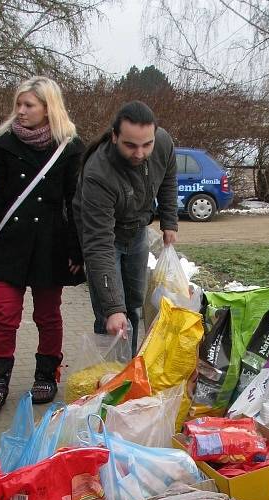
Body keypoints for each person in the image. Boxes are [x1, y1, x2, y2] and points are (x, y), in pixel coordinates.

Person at [0, 76, 84, 412]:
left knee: (48, 315)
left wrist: (77, 250)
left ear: (47, 108)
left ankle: (46, 374)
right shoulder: (7, 143)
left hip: (50, 245)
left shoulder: (69, 147)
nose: (20, 111)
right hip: (10, 242)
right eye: (18, 105)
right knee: (5, 315)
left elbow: (74, 201)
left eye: (28, 105)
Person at [72, 101, 178, 355]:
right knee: (112, 315)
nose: (140, 153)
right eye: (130, 145)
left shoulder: (162, 142)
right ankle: (109, 378)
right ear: (114, 136)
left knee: (133, 307)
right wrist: (112, 307)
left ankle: (128, 370)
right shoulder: (99, 172)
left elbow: (168, 178)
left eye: (146, 144)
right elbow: (99, 245)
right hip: (105, 238)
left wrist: (169, 221)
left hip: (137, 232)